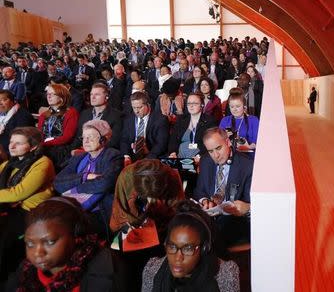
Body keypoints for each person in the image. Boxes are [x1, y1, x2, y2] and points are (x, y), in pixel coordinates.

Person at [5, 197, 125, 291]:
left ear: (76, 234)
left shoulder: (105, 271)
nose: (37, 253)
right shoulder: (26, 272)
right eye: (30, 244)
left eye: (50, 242)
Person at [109, 159, 184, 291]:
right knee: (117, 252)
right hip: (131, 225)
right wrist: (137, 226)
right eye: (146, 196)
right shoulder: (126, 176)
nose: (150, 200)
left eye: (154, 196)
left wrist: (157, 221)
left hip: (161, 228)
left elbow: (177, 212)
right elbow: (120, 212)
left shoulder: (172, 176)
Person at [141, 200, 240, 292]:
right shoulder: (152, 271)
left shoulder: (225, 275)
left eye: (188, 249)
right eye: (172, 246)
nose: (178, 258)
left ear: (204, 248)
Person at [0, 127, 55, 282]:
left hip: (30, 212)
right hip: (11, 209)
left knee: (5, 241)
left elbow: (19, 193)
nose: (11, 146)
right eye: (11, 142)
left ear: (33, 147)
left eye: (18, 143)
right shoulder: (10, 163)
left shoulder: (43, 163)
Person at [54, 120, 123, 238]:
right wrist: (84, 177)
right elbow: (57, 182)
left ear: (103, 139)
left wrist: (75, 187)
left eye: (90, 137)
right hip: (75, 207)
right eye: (84, 137)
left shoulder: (113, 155)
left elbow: (105, 183)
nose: (85, 141)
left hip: (98, 210)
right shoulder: (79, 158)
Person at [194, 127, 252, 247]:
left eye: (218, 148)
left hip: (233, 222)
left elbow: (249, 204)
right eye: (210, 151)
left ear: (228, 142)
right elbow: (199, 191)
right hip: (208, 219)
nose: (215, 155)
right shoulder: (205, 161)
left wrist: (247, 207)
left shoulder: (247, 166)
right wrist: (205, 201)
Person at [37, 84, 79, 171]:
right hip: (44, 146)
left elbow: (67, 137)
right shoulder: (44, 115)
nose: (48, 96)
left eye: (52, 94)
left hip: (61, 148)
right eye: (48, 94)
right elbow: (39, 134)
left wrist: (45, 144)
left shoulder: (71, 112)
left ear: (62, 97)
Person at [121, 92, 169, 162]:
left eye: (139, 107)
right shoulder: (129, 119)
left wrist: (148, 157)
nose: (136, 111)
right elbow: (124, 140)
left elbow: (161, 144)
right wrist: (126, 156)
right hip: (132, 156)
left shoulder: (160, 120)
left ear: (148, 105)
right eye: (134, 108)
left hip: (151, 156)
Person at [168, 92, 216, 159]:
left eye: (195, 103)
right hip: (178, 158)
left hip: (198, 158)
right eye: (189, 103)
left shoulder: (209, 121)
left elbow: (211, 143)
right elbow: (173, 140)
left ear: (202, 105)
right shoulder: (181, 120)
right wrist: (173, 153)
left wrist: (200, 156)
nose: (191, 106)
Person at [0, 90, 34, 155]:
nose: (0, 103)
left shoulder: (22, 116)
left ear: (13, 101)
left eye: (3, 100)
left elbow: (20, 139)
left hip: (12, 152)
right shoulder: (2, 115)